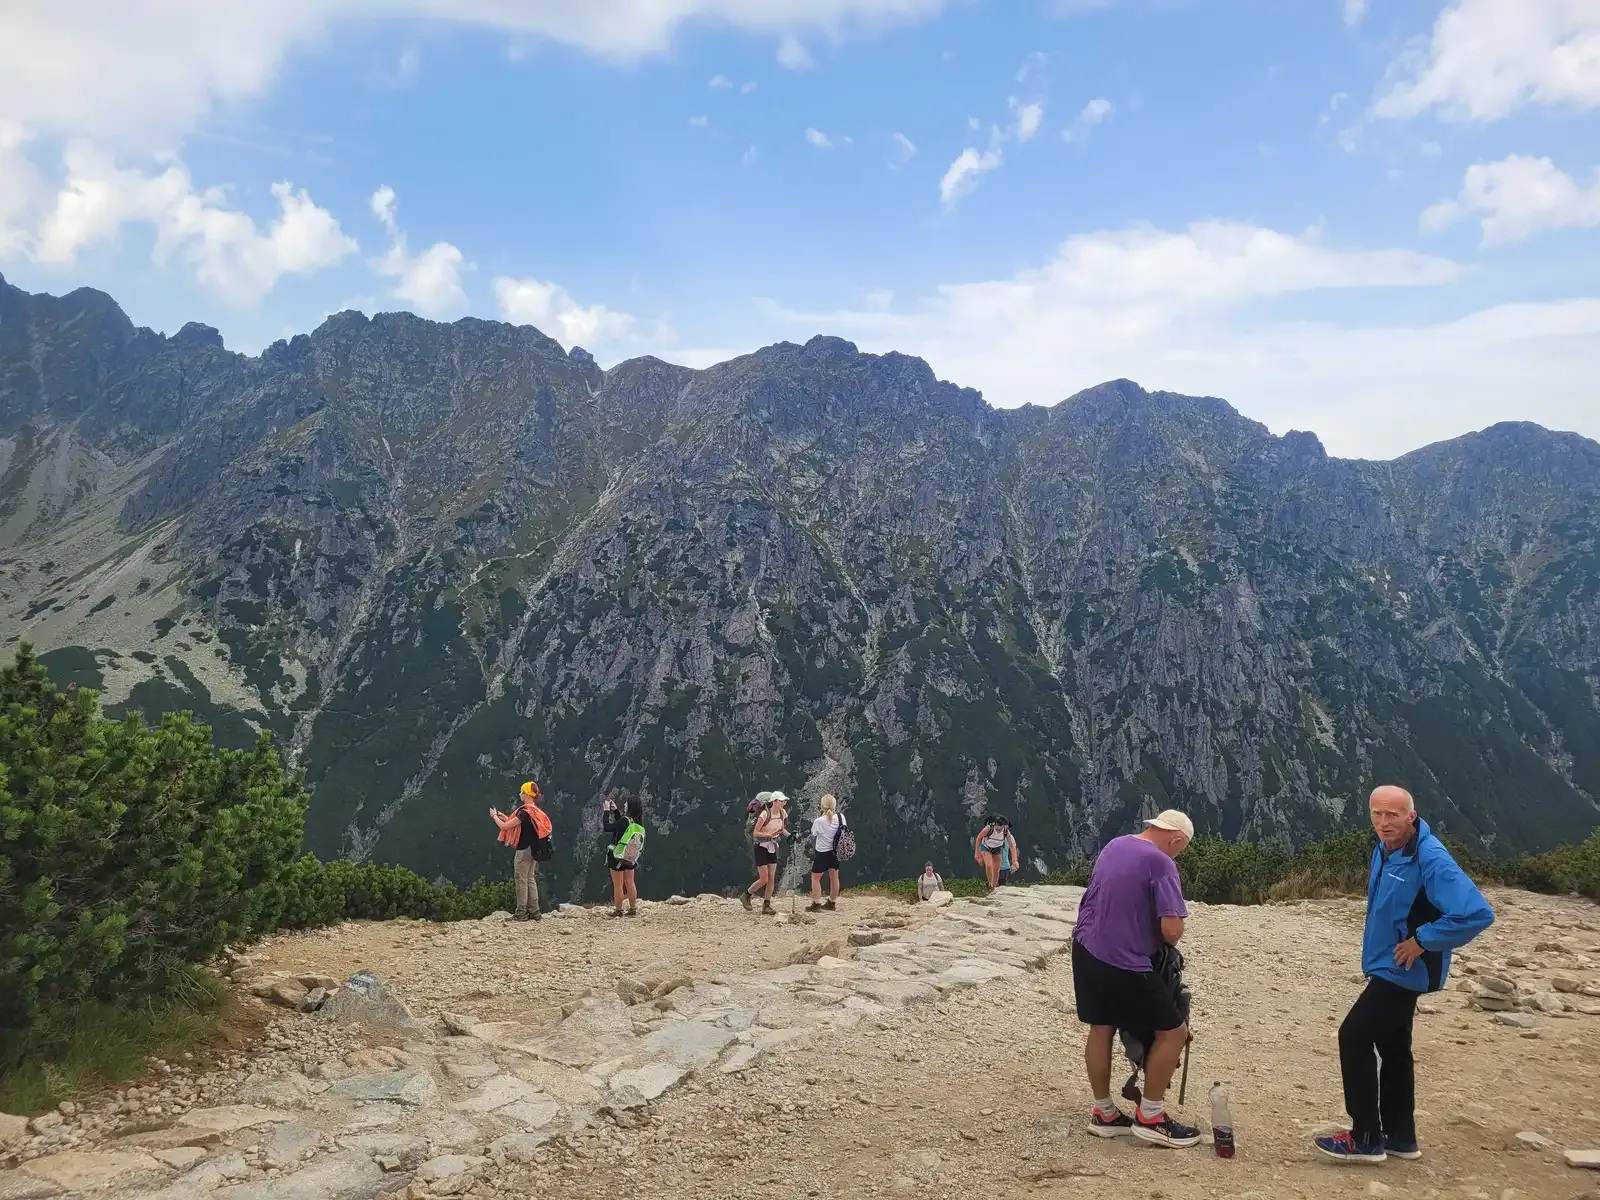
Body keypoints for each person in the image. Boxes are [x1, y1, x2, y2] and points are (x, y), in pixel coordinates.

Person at [1315, 786, 1495, 1165]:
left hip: (1404, 969)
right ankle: (1400, 1137)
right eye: (1377, 814)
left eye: (1393, 815)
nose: (1383, 822)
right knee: (1394, 1048)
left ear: (1411, 816)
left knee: (1354, 1036)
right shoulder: (1385, 849)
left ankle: (1365, 1138)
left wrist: (1423, 941)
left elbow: (1477, 913)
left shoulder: (1431, 857)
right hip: (1388, 963)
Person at [1071, 809, 1198, 1148]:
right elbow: (1171, 930)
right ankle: (1152, 1117)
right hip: (1124, 960)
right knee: (1174, 1032)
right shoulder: (1162, 863)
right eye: (1179, 849)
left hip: (1085, 947)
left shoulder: (1115, 845)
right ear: (1175, 840)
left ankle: (1104, 1113)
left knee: (1102, 1027)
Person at [489, 781, 550, 921]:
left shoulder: (524, 812)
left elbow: (504, 827)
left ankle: (521, 913)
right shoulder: (534, 811)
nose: (520, 794)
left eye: (521, 791)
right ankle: (535, 912)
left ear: (526, 794)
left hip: (523, 850)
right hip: (534, 850)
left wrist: (494, 817)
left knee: (521, 880)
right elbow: (518, 824)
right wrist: (505, 816)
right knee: (530, 879)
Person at [742, 790, 788, 914]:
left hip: (772, 847)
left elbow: (781, 829)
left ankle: (766, 905)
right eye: (781, 801)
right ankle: (746, 895)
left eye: (784, 801)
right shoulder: (764, 814)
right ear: (774, 801)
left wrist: (789, 836)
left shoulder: (783, 813)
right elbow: (756, 833)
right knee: (764, 879)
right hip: (761, 847)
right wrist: (768, 835)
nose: (783, 803)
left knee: (771, 878)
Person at [603, 792, 646, 918]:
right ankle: (633, 908)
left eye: (626, 803)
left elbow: (608, 827)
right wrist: (616, 811)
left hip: (617, 856)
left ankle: (618, 910)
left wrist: (606, 811)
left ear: (630, 806)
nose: (625, 805)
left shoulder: (624, 821)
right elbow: (622, 826)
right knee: (630, 882)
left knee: (618, 885)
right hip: (630, 856)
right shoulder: (637, 823)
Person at [808, 793, 845, 912]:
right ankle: (832, 902)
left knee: (815, 877)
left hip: (822, 851)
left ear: (822, 806)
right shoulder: (841, 817)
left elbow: (814, 833)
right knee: (834, 877)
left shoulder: (819, 821)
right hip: (835, 852)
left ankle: (816, 903)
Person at [974, 815, 1009, 889]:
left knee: (996, 870)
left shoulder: (1006, 830)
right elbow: (979, 838)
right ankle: (990, 884)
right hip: (986, 847)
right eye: (997, 828)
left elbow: (1012, 844)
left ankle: (994, 886)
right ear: (994, 824)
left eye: (1000, 829)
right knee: (989, 865)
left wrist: (1015, 860)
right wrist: (977, 852)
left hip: (997, 848)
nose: (998, 831)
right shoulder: (988, 828)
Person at [997, 817, 1020, 885]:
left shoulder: (1010, 837)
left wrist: (1014, 862)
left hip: (1004, 867)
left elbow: (1014, 849)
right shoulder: (992, 835)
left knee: (1001, 885)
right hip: (994, 865)